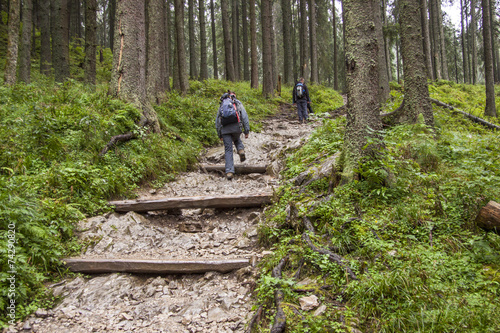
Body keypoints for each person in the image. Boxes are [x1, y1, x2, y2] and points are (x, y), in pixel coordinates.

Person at [215, 90, 250, 180]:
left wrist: (220, 134)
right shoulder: (237, 103)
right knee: (237, 139)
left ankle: (229, 172)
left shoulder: (222, 104)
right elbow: (244, 116)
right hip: (236, 128)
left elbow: (218, 121)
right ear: (234, 95)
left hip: (225, 130)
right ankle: (241, 150)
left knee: (228, 150)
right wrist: (246, 130)